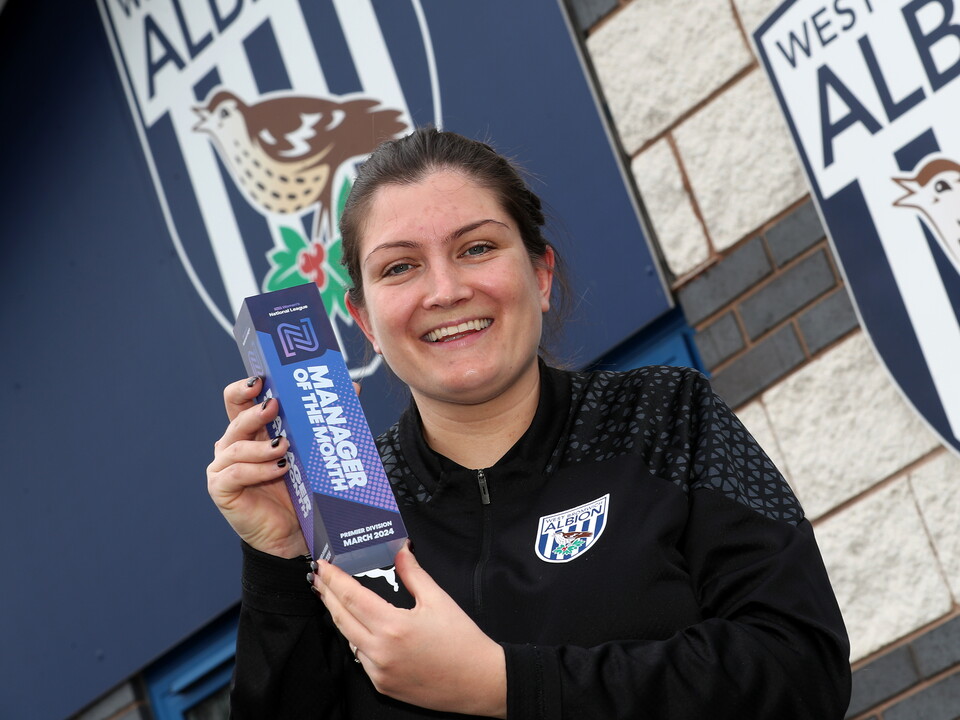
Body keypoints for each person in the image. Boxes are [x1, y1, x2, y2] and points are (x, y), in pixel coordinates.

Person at [207, 128, 851, 719]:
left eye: (477, 248)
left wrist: (504, 683)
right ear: (365, 321)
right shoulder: (348, 509)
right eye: (400, 267)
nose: (445, 291)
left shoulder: (664, 417)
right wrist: (278, 560)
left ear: (540, 274)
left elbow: (801, 666)